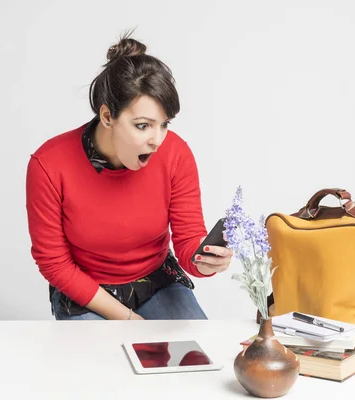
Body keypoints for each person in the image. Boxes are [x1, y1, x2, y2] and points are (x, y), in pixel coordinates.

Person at [25, 32, 233, 321]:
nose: (157, 140)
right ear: (108, 116)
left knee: (194, 358)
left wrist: (206, 263)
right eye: (143, 125)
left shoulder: (176, 154)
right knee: (98, 364)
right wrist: (127, 319)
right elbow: (54, 263)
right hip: (86, 290)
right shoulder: (49, 164)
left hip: (157, 281)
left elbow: (188, 240)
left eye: (164, 125)